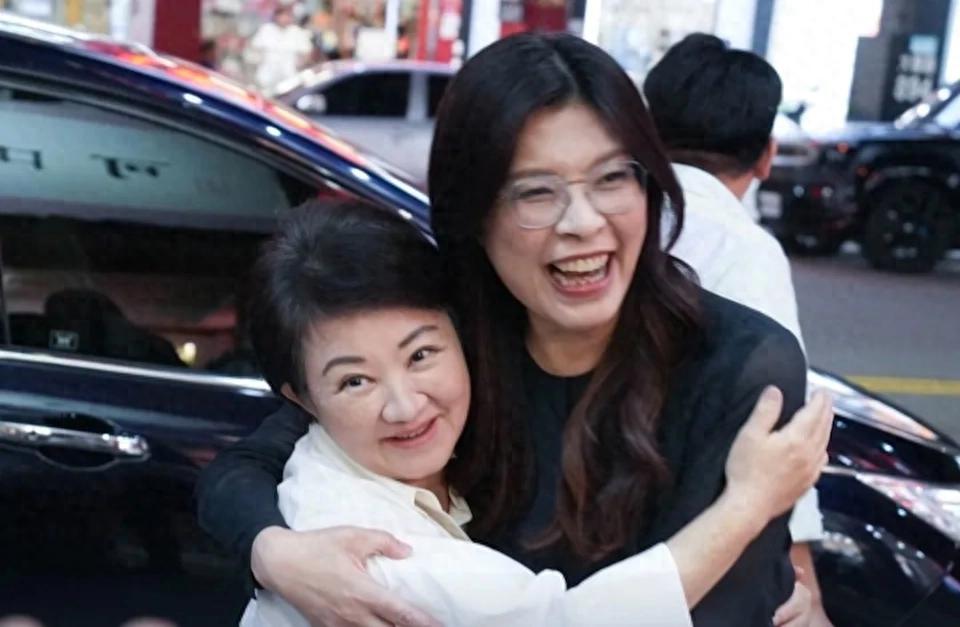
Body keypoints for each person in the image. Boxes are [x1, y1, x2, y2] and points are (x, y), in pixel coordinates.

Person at [197, 33, 831, 626]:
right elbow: (249, 465)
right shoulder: (448, 334)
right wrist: (273, 552)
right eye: (536, 192)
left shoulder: (735, 363)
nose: (583, 222)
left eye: (612, 177)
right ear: (474, 213)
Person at [237, 199, 829, 626]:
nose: (405, 404)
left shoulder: (447, 438)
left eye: (420, 354)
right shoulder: (363, 550)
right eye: (355, 381)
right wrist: (748, 505)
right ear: (301, 397)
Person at [644, 34, 832, 626]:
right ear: (766, 156)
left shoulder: (612, 221)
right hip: (695, 558)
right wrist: (807, 592)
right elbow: (779, 425)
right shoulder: (747, 252)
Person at [246, 4, 313, 94]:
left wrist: (299, 65)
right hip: (266, 77)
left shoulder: (297, 32)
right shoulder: (266, 29)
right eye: (282, 15)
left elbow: (307, 52)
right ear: (276, 16)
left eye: (288, 15)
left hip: (288, 78)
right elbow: (254, 48)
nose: (284, 18)